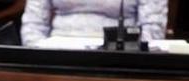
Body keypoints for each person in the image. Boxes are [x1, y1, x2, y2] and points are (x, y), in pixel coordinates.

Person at [21, 0, 168, 47]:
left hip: (119, 59)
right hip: (56, 61)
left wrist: (130, 60)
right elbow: (33, 25)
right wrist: (40, 61)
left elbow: (153, 29)